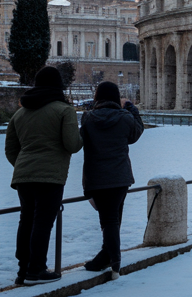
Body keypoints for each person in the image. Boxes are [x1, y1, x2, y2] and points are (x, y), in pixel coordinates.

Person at [5, 66, 84, 285]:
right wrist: (82, 136)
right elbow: (72, 144)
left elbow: (11, 148)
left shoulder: (20, 113)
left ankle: (23, 270)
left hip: (23, 176)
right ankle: (36, 269)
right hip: (50, 176)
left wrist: (23, 165)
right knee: (42, 221)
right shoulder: (63, 110)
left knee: (27, 219)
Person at [78, 81, 144, 279]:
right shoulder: (124, 118)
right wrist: (131, 108)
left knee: (108, 220)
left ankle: (113, 260)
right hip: (120, 177)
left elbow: (83, 139)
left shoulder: (88, 118)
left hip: (97, 177)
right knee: (113, 218)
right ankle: (108, 257)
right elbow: (137, 131)